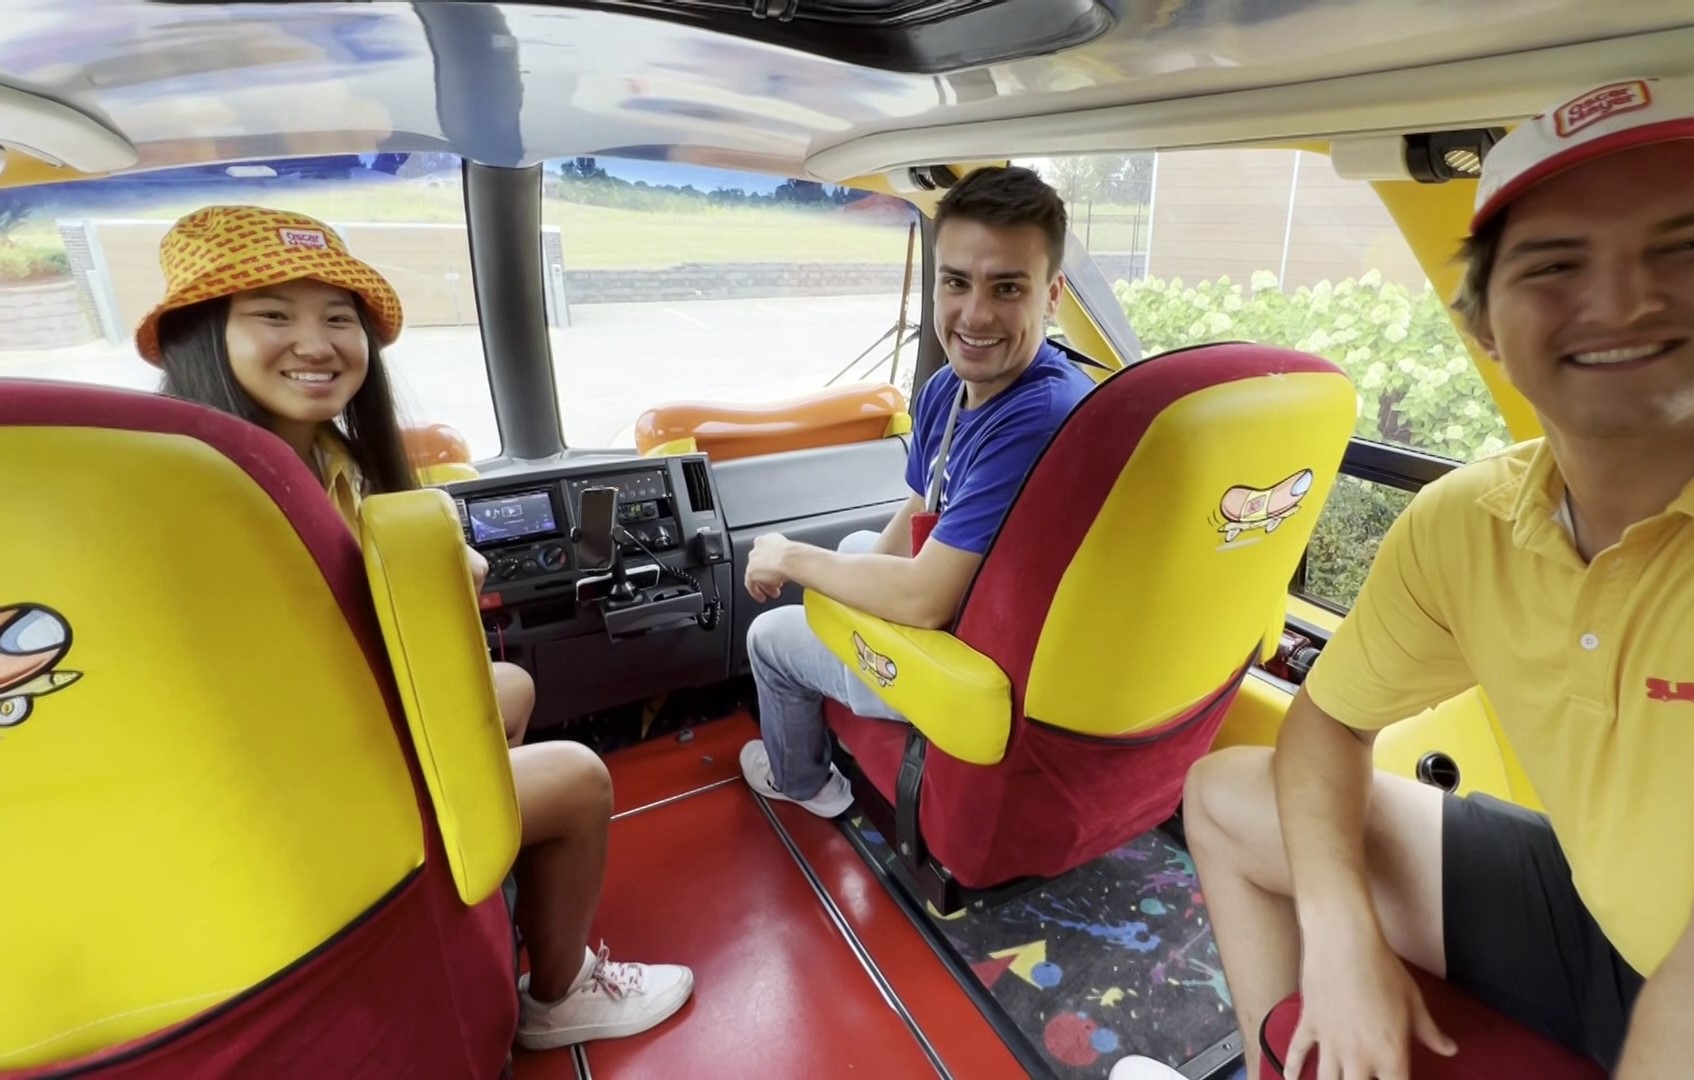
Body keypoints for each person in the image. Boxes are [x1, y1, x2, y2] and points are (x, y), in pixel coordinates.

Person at [1115, 76, 1694, 1080]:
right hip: (1600, 908)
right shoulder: (1468, 520)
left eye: (1691, 244)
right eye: (1555, 263)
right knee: (1228, 793)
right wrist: (1342, 940)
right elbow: (1326, 724)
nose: (1623, 298)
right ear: (1485, 326)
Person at [135, 205, 694, 1052]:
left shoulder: (327, 459)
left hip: (331, 737)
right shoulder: (198, 499)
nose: (316, 343)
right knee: (579, 777)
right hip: (290, 786)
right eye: (274, 316)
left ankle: (480, 882)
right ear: (200, 333)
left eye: (337, 318)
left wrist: (442, 572)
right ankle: (560, 991)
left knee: (511, 684)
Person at [736, 165, 1094, 817]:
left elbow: (926, 600)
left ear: (1052, 296)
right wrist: (849, 570)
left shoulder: (1038, 415)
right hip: (979, 608)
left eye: (1007, 287)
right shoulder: (948, 391)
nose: (975, 315)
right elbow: (922, 508)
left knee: (770, 635)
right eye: (956, 282)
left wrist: (792, 559)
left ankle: (803, 782)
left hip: (977, 664)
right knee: (856, 545)